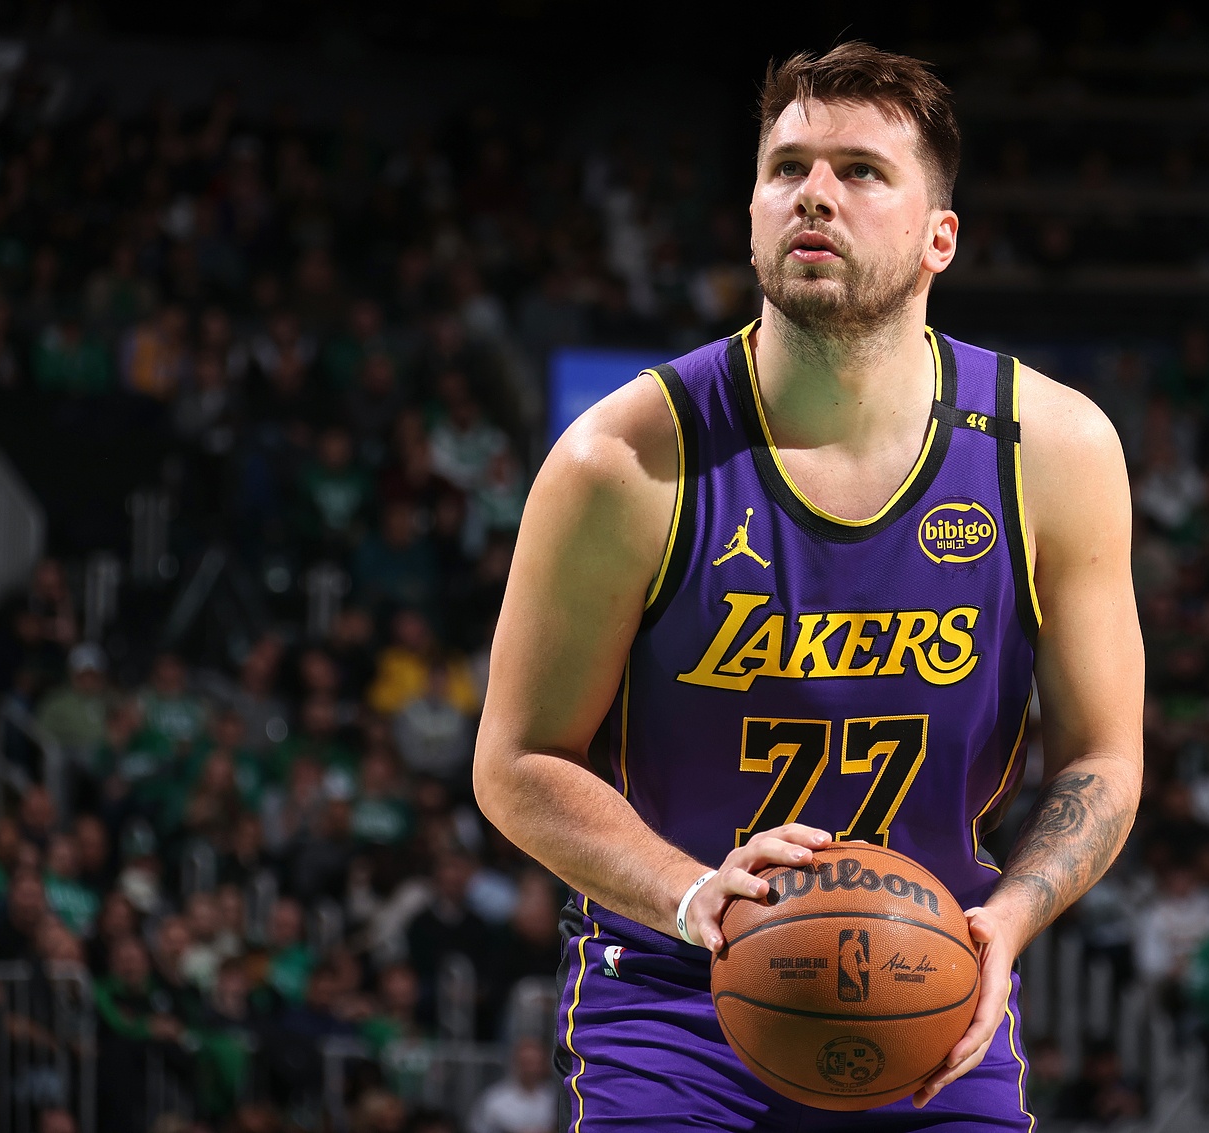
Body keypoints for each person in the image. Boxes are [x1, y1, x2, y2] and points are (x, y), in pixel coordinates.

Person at [474, 43, 1144, 1130]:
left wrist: (1008, 918)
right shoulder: (622, 460)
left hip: (930, 984)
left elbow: (1103, 757)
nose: (814, 193)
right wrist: (692, 892)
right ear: (750, 212)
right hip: (676, 989)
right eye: (786, 168)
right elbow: (515, 761)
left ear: (940, 237)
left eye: (861, 171)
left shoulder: (1054, 452)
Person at [468, 1036, 557, 1133]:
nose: (531, 1069)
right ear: (515, 1063)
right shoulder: (494, 1100)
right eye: (527, 1062)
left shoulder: (555, 1097)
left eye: (536, 1063)